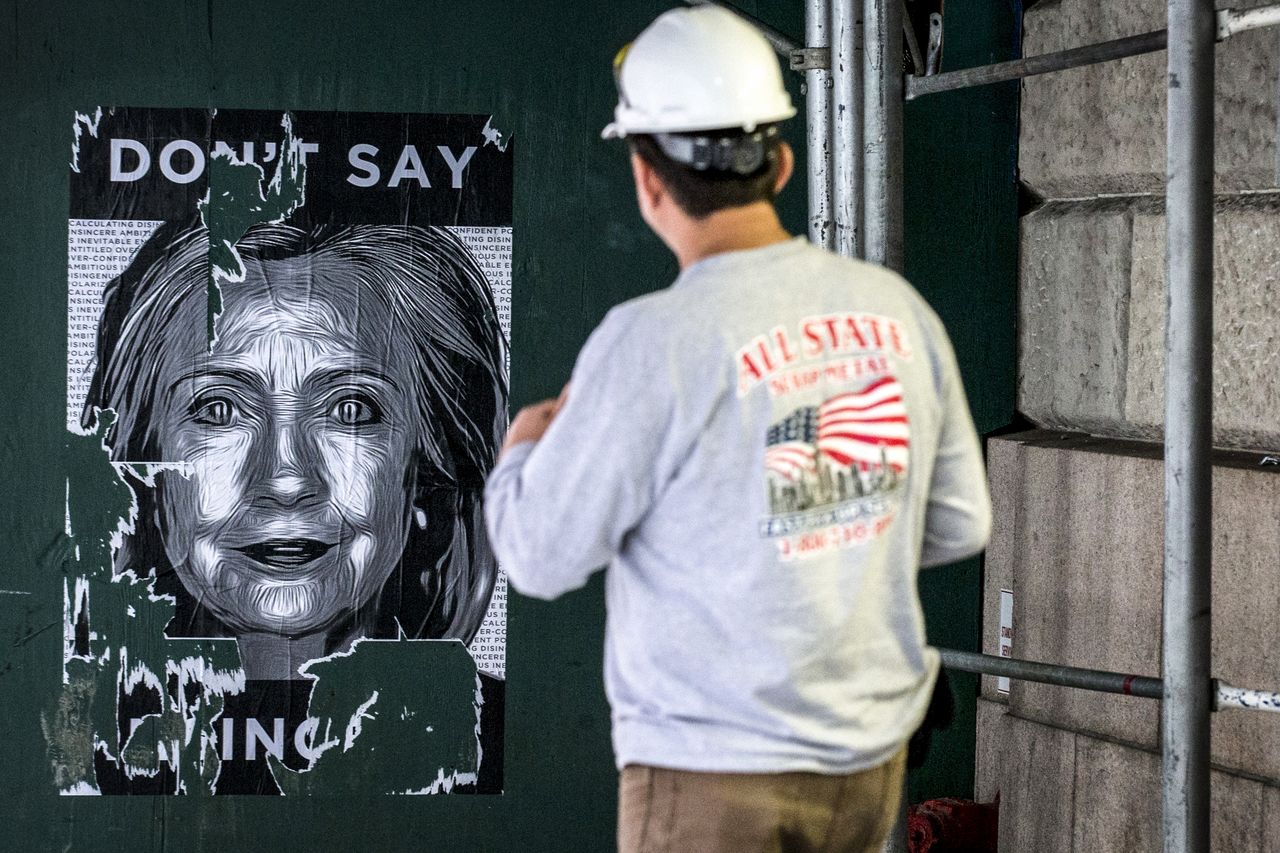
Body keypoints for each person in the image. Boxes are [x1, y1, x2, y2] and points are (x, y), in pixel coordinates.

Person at [484, 6, 991, 852]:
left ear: (648, 179)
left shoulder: (653, 341)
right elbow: (960, 522)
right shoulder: (896, 314)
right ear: (782, 161)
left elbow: (537, 556)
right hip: (866, 764)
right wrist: (822, 537)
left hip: (711, 775)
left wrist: (523, 448)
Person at [84, 220, 508, 793]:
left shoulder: (503, 745)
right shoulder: (81, 738)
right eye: (219, 409)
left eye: (351, 410)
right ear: (145, 469)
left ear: (425, 471)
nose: (286, 479)